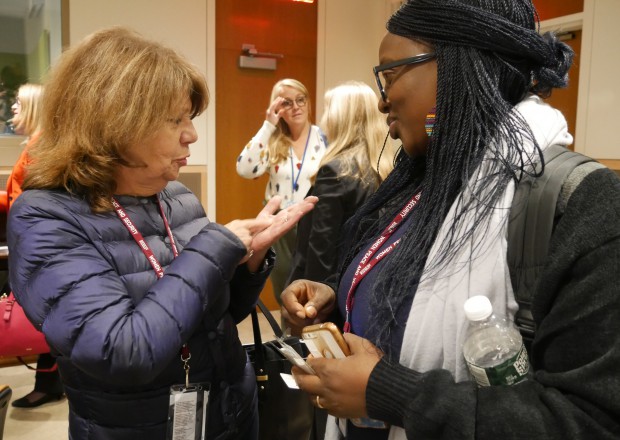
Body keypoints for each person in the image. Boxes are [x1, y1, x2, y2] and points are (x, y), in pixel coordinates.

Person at [281, 1, 620, 439]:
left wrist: (391, 393)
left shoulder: (580, 203)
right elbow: (408, 286)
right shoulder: (424, 183)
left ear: (461, 67)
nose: (382, 101)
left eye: (389, 73)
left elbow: (588, 422)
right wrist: (343, 295)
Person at [7, 27, 317, 440]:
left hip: (231, 415)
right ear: (115, 122)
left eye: (190, 117)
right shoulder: (46, 216)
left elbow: (213, 318)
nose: (191, 134)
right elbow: (122, 351)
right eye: (176, 120)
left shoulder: (176, 196)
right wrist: (213, 248)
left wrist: (247, 265)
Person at [287, 80, 394, 288]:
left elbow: (321, 249)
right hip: (362, 284)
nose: (323, 118)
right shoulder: (385, 169)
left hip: (326, 292)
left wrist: (311, 300)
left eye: (327, 110)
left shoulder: (335, 171)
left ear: (341, 119)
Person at [0, 83, 65, 409]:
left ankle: (50, 383)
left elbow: (33, 200)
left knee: (44, 315)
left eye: (18, 103)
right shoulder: (37, 146)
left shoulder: (41, 149)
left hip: (37, 247)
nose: (12, 109)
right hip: (32, 243)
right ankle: (49, 383)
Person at [237, 79, 328, 306]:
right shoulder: (274, 141)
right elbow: (244, 168)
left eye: (301, 100)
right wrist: (268, 124)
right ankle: (291, 336)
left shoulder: (324, 138)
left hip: (316, 223)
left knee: (315, 287)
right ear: (277, 108)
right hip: (281, 225)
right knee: (286, 289)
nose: (296, 107)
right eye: (287, 102)